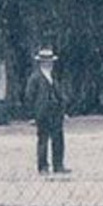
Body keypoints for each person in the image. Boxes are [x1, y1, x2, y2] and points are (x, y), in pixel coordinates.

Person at [27, 47, 68, 175]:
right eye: (46, 61)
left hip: (56, 113)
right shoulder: (35, 78)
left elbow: (59, 94)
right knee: (43, 140)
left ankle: (58, 165)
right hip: (42, 113)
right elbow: (29, 97)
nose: (48, 63)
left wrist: (63, 110)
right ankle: (43, 167)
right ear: (41, 62)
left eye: (50, 61)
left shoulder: (53, 77)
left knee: (58, 140)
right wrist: (32, 115)